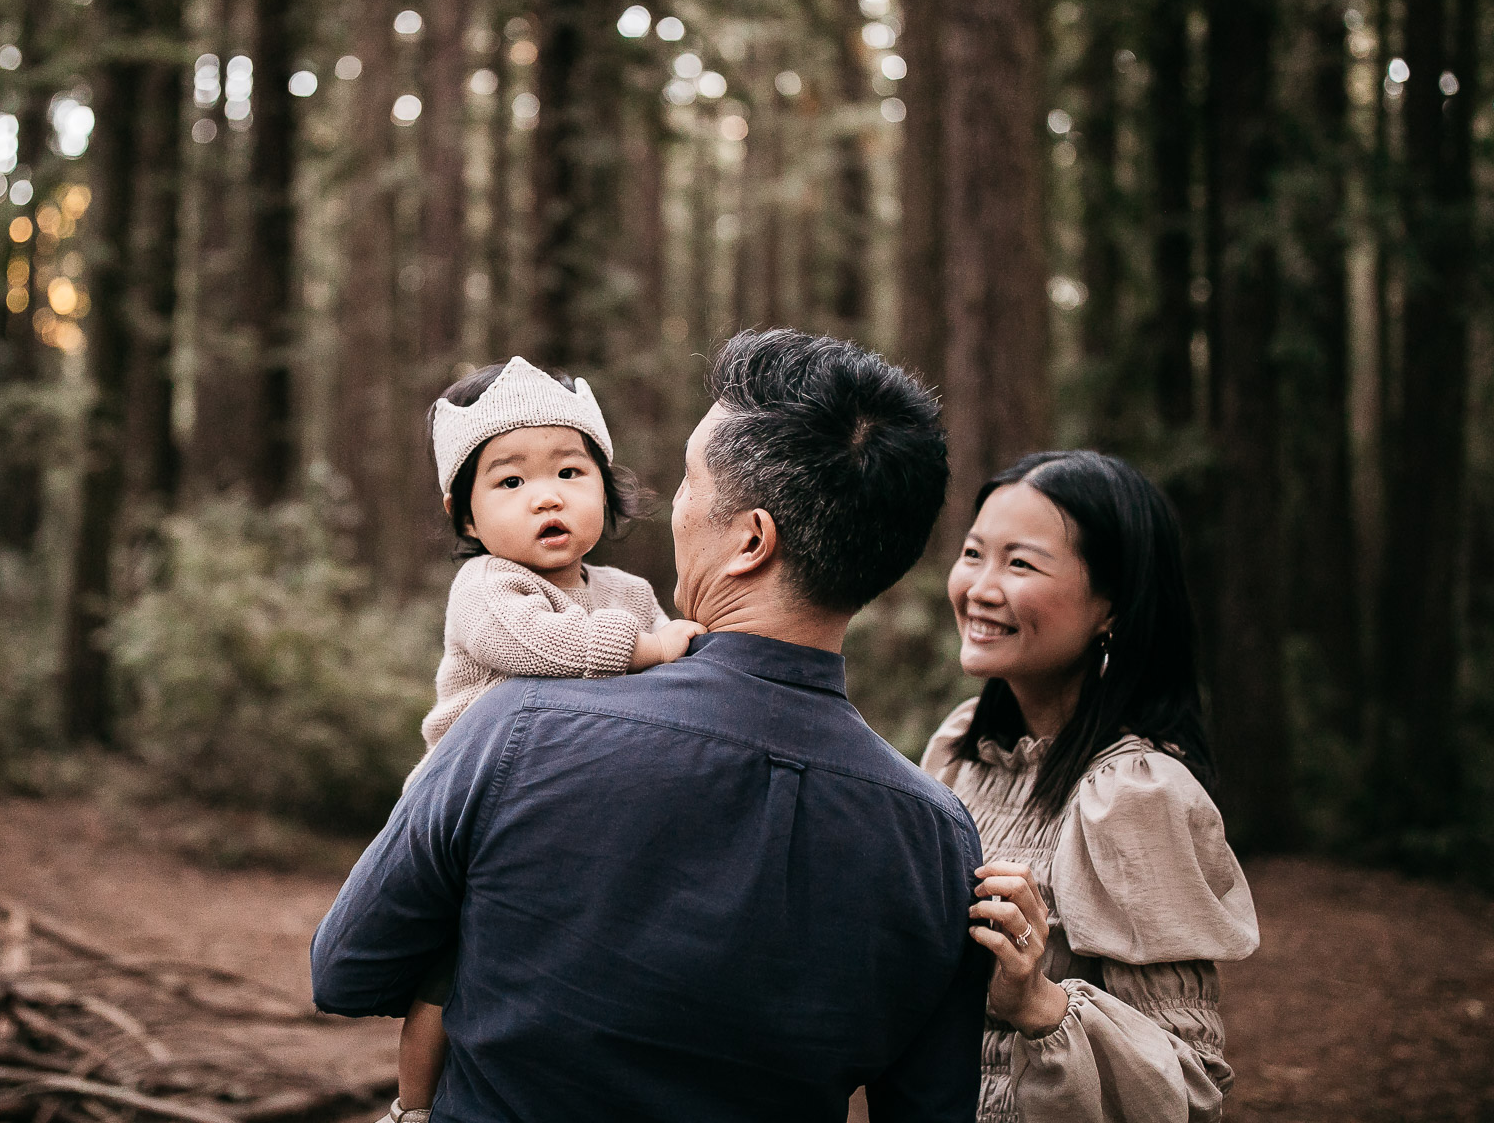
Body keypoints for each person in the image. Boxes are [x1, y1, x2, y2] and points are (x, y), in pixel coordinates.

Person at [312, 329, 988, 1123]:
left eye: (686, 486)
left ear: (750, 541)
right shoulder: (940, 840)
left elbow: (345, 970)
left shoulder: (516, 728)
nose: (671, 510)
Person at [393, 356, 707, 1120]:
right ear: (464, 515)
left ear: (606, 486)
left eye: (571, 472)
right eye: (510, 482)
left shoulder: (629, 594)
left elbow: (679, 677)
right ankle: (411, 1106)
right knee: (447, 967)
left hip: (571, 809)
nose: (547, 497)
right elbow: (536, 646)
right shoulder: (489, 588)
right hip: (469, 807)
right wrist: (646, 651)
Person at [921, 451, 1260, 1123]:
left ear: (1111, 606)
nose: (981, 587)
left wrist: (1038, 1003)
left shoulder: (1133, 796)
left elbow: (1191, 1089)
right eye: (973, 553)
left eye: (1020, 563)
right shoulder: (962, 749)